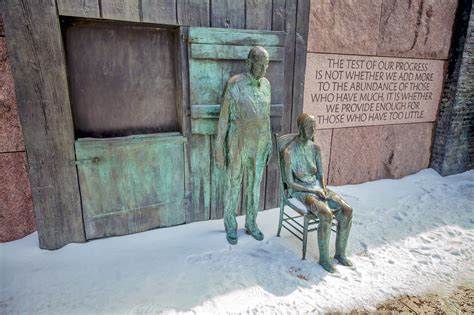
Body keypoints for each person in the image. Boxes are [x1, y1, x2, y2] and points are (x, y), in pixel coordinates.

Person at [215, 46, 273, 245]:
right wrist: (218, 149)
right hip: (238, 142)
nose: (264, 69)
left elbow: (266, 118)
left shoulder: (266, 85)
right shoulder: (235, 84)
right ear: (249, 63)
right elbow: (223, 119)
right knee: (234, 183)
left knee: (254, 185)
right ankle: (230, 223)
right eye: (260, 64)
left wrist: (270, 143)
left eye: (266, 65)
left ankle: (251, 222)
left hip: (260, 143)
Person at [283, 113, 353, 273]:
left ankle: (340, 253)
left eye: (314, 127)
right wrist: (313, 190)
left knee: (347, 210)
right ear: (300, 128)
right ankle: (324, 258)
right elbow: (290, 182)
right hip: (301, 191)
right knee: (325, 214)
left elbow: (320, 174)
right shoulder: (289, 151)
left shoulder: (315, 148)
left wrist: (323, 188)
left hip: (318, 188)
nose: (312, 130)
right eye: (309, 126)